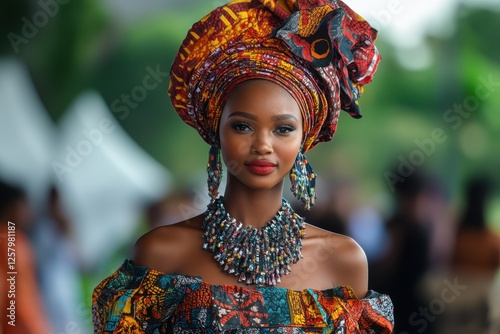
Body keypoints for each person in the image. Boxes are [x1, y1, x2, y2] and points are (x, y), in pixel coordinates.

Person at [92, 0, 394, 332]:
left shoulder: (344, 260)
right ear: (215, 131)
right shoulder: (160, 254)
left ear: (304, 139)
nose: (263, 145)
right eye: (243, 126)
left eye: (283, 129)